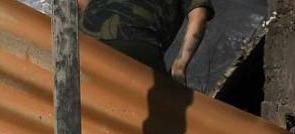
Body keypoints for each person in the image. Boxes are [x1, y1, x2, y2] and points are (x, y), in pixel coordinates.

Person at [79, 0, 214, 83]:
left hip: (84, 40)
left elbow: (80, 3)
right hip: (138, 45)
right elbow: (199, 17)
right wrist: (180, 66)